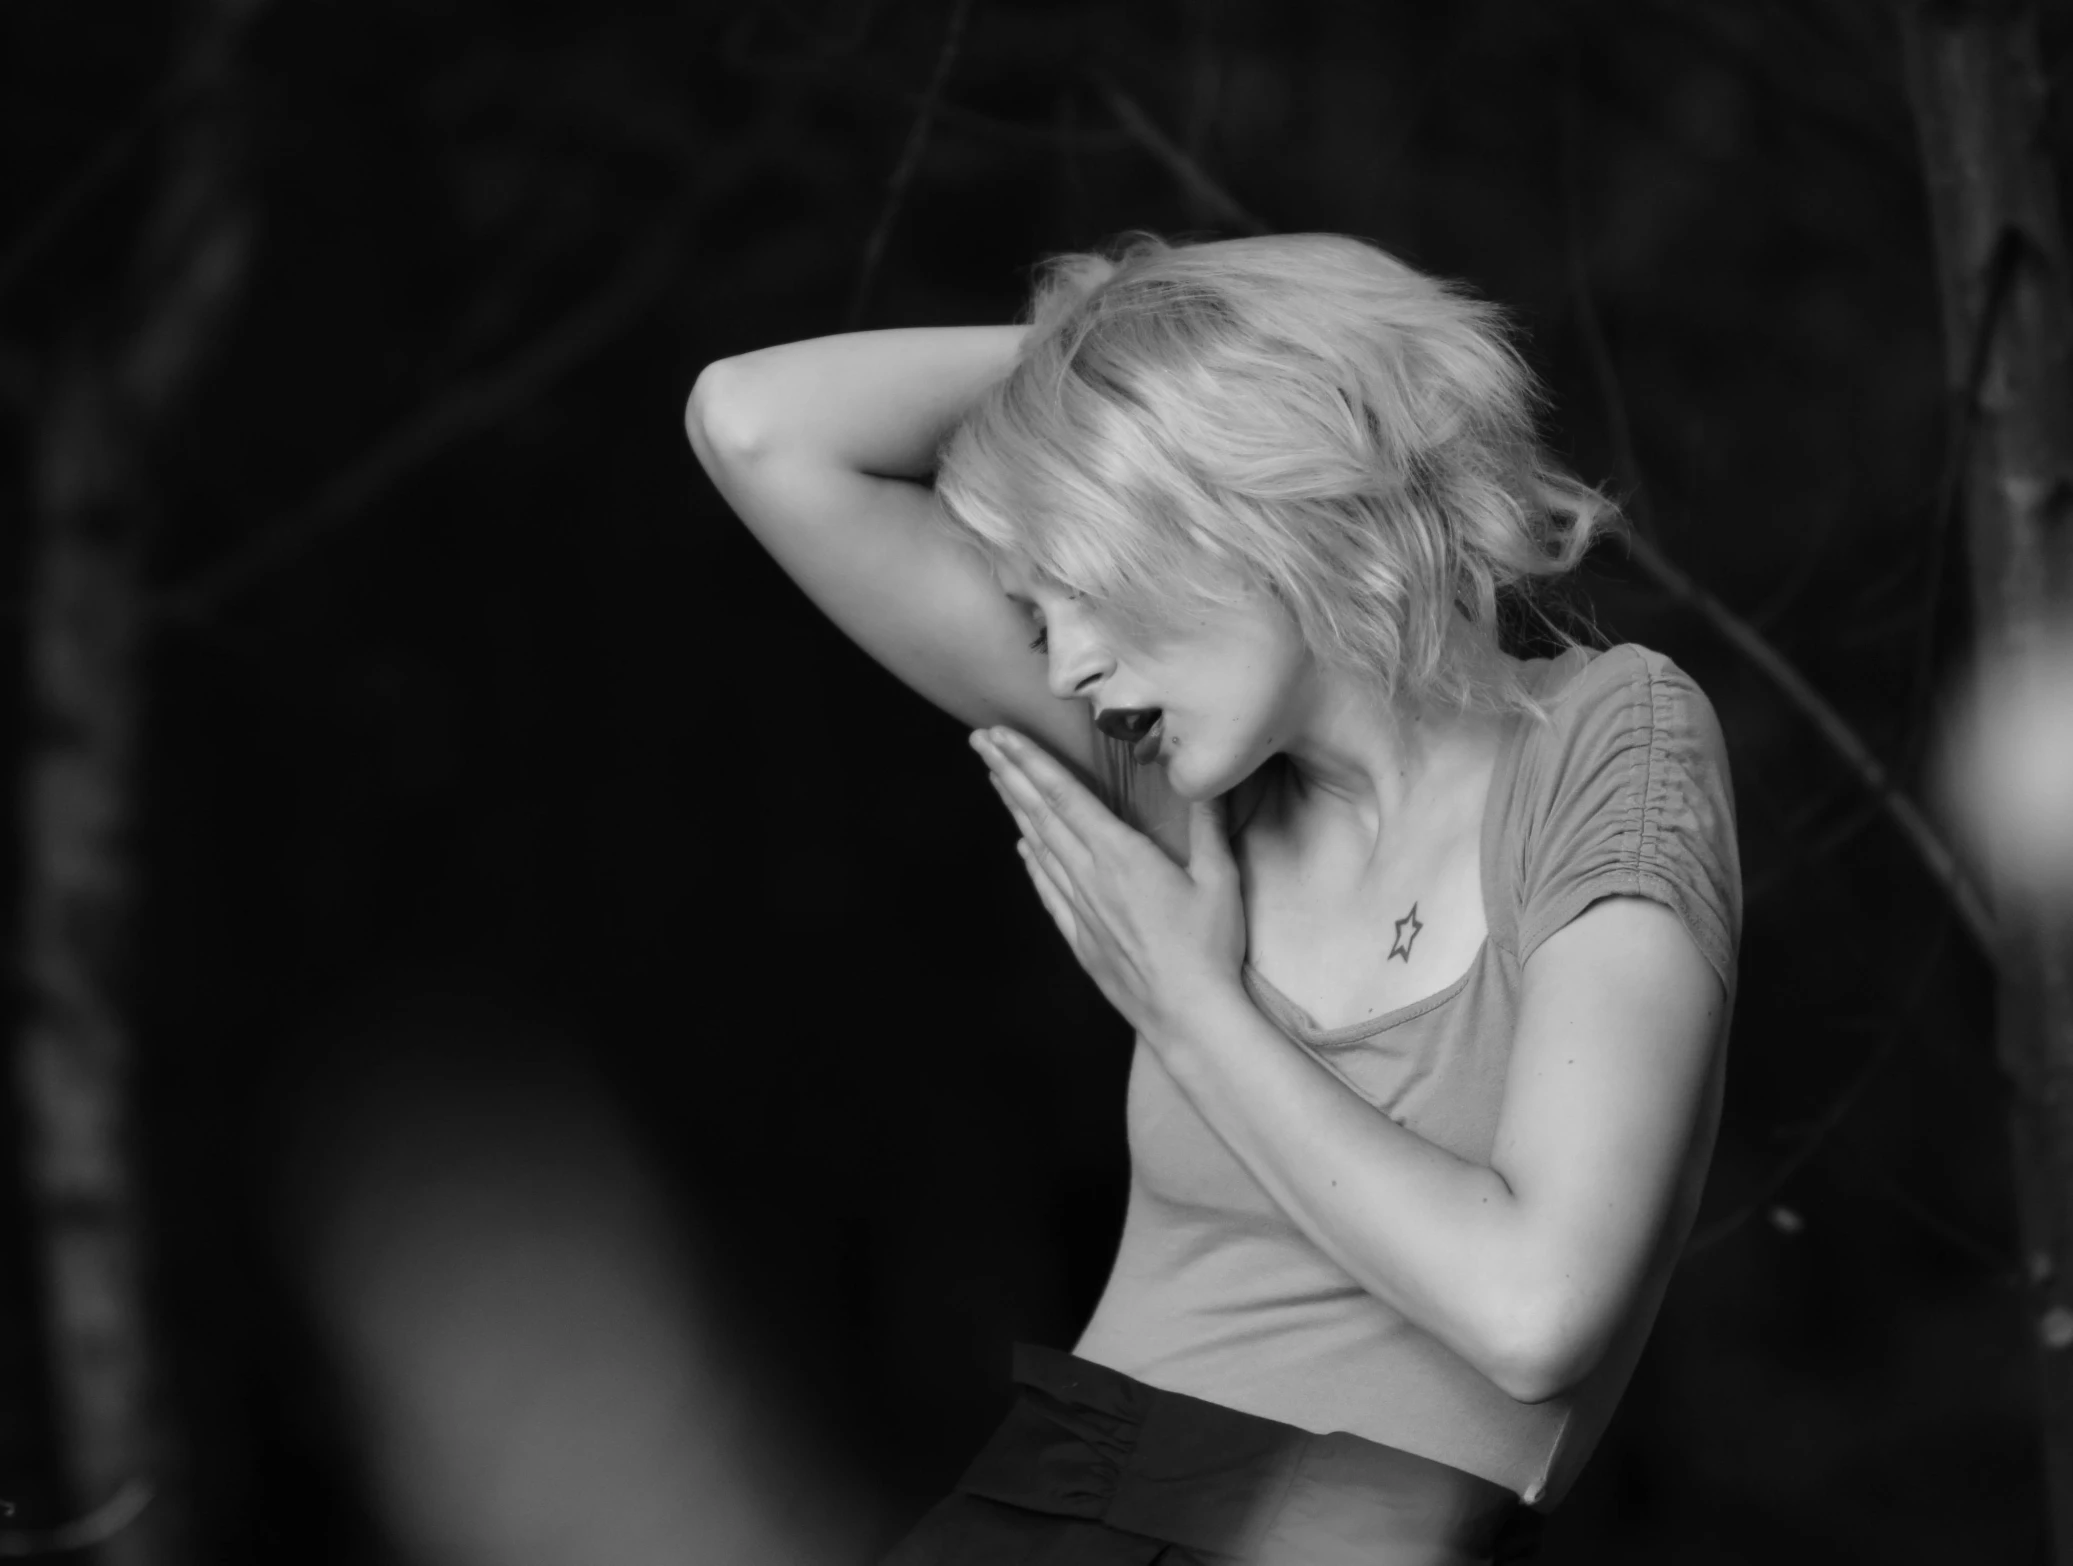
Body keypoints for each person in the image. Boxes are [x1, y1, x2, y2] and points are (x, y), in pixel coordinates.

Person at [684, 232, 1741, 1566]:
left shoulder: (1609, 736)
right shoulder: (1187, 783)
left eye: (1084, 593)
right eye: (1034, 608)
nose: (1064, 663)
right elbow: (755, 423)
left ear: (1242, 513)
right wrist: (1117, 368)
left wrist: (1193, 1007)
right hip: (1054, 1499)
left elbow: (1536, 1311)